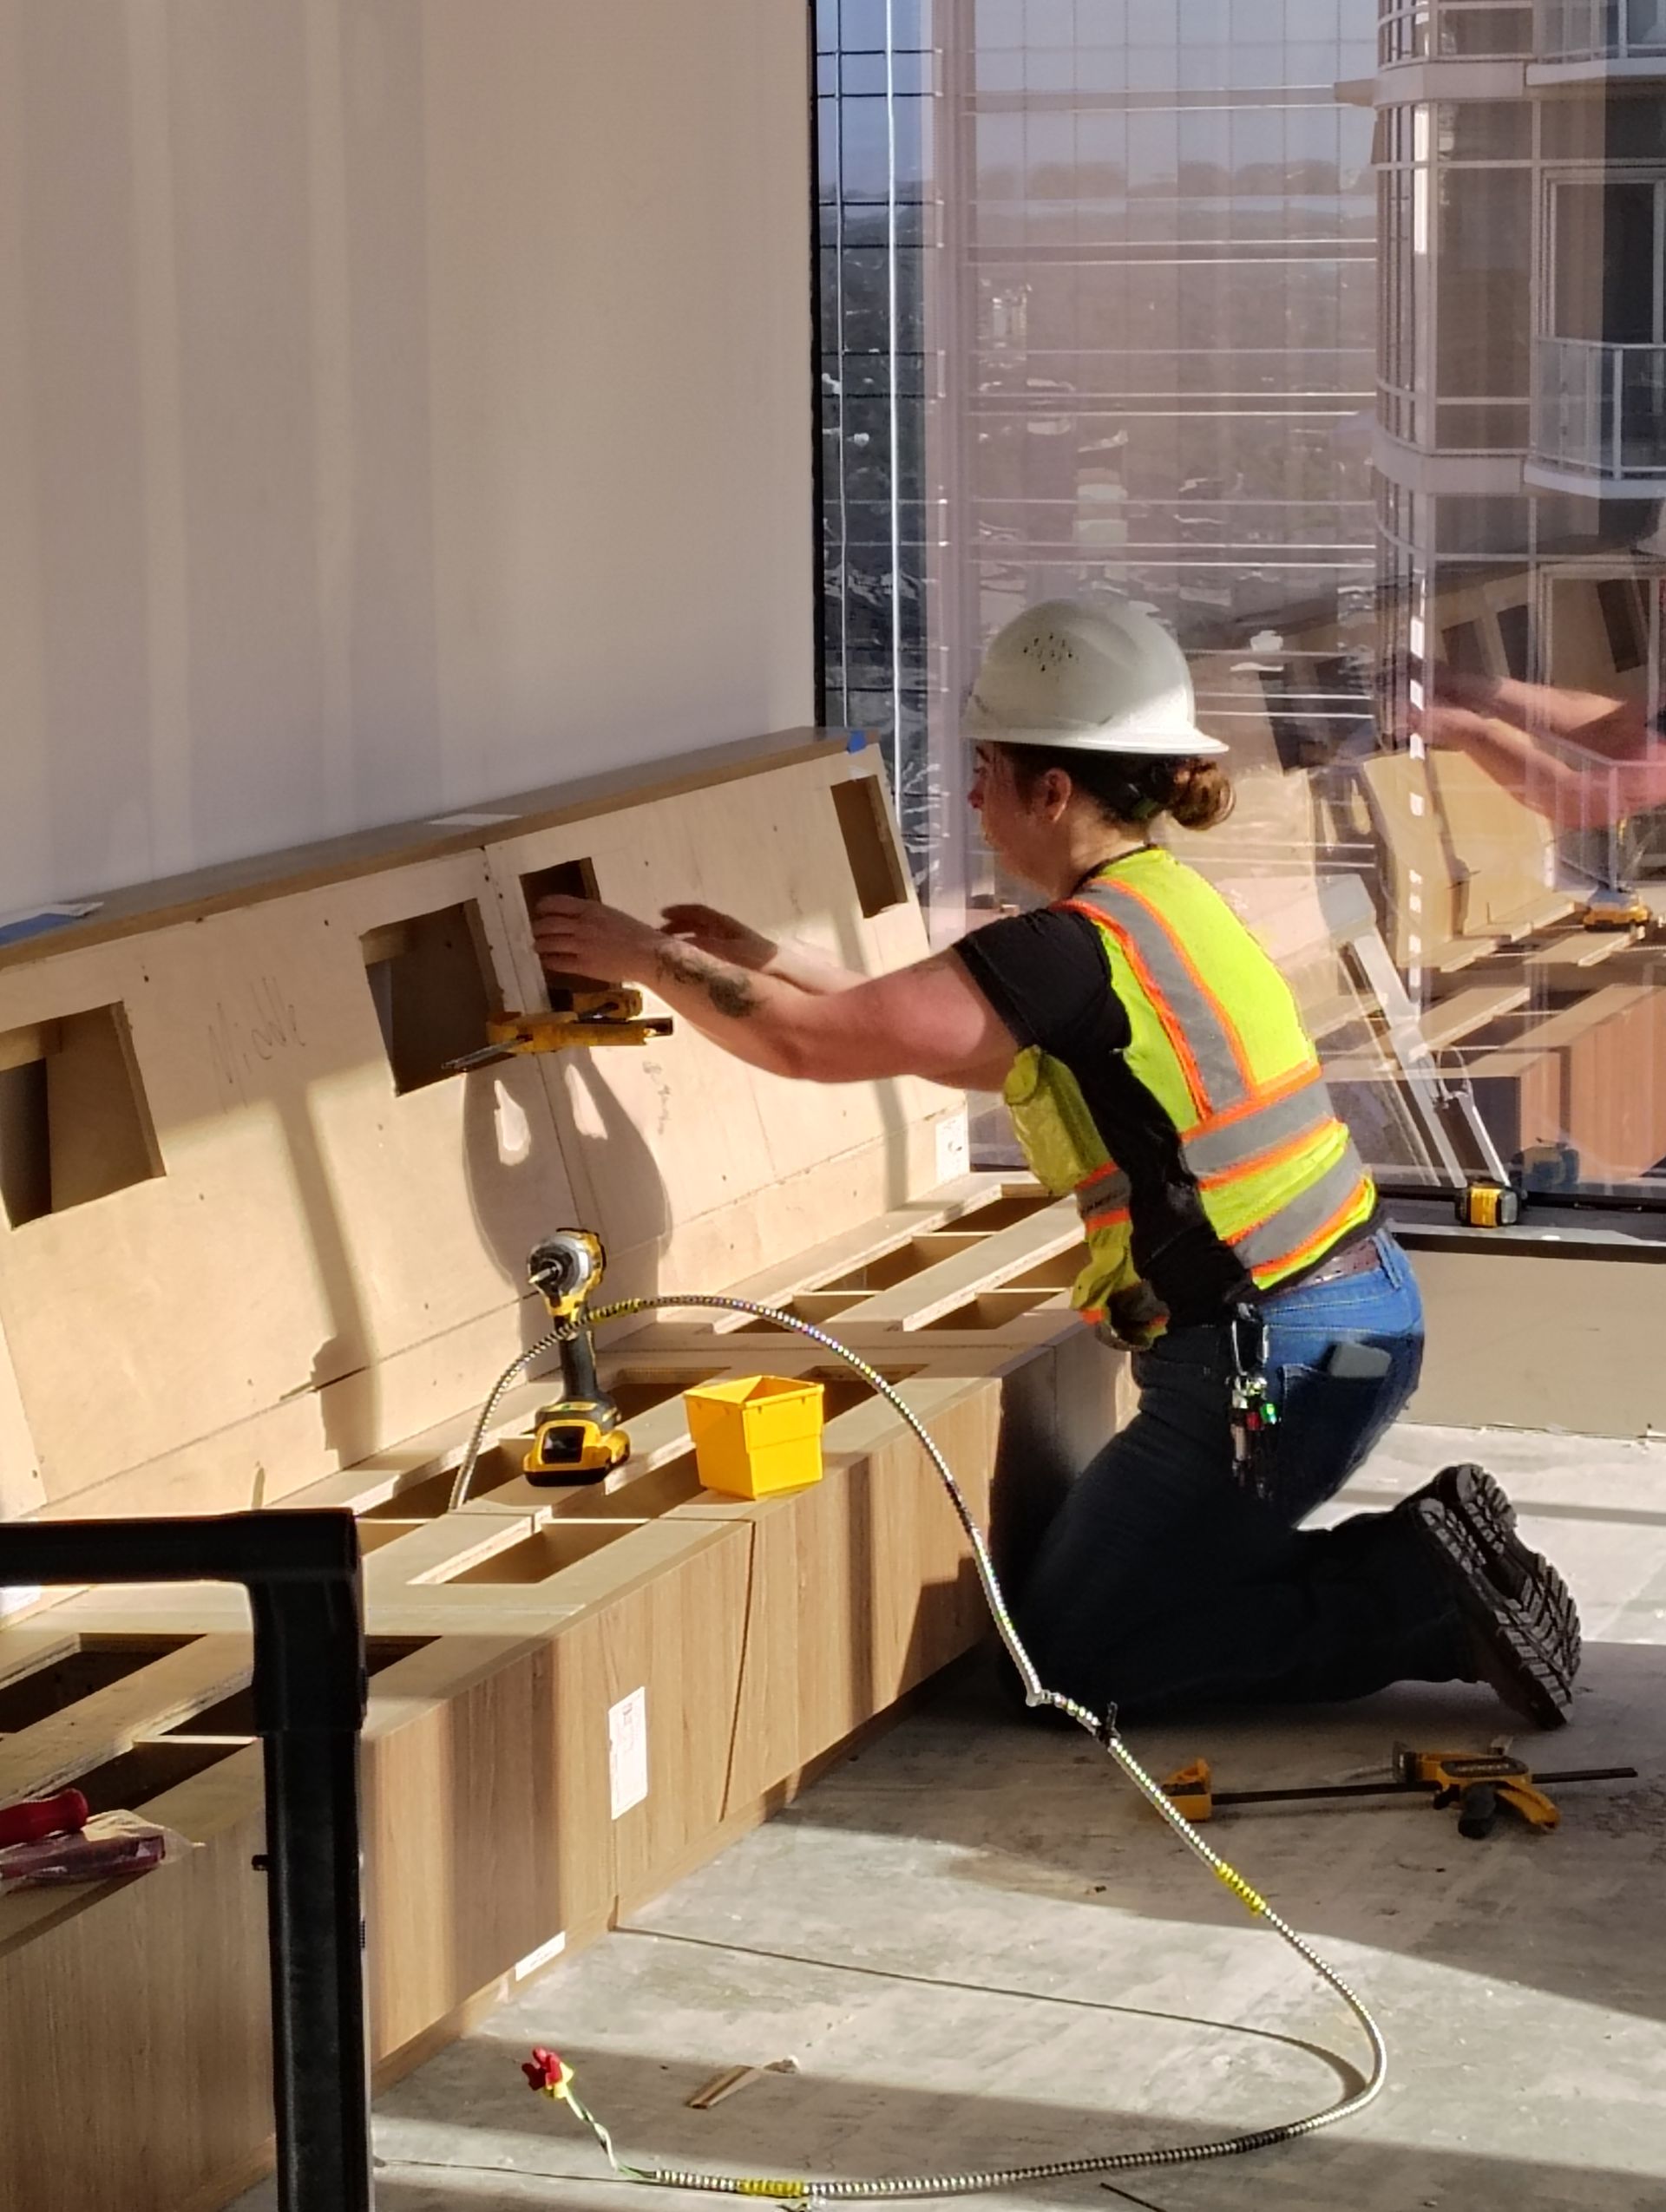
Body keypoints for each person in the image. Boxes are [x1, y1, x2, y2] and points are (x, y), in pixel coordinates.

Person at [532, 598, 1582, 1729]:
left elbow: (813, 1045)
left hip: (1265, 1368)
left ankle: (1419, 1597)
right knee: (1143, 1594)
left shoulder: (1067, 951)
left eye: (987, 770)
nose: (970, 799)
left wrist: (647, 959)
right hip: (1346, 1322)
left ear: (1052, 790)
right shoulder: (1157, 907)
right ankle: (1421, 1564)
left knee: (1066, 1666)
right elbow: (906, 1020)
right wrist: (757, 957)